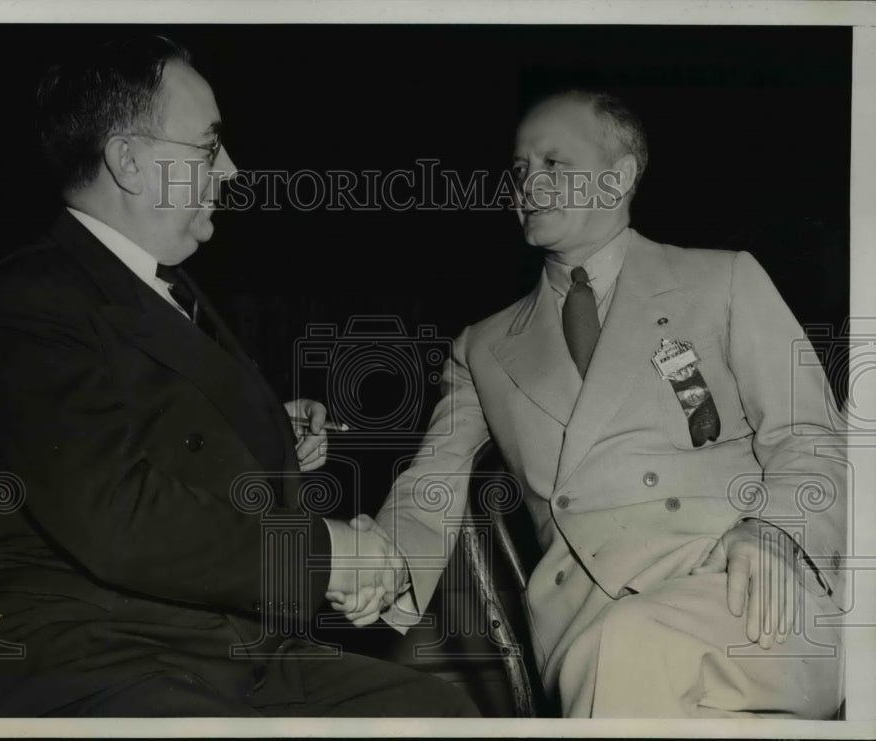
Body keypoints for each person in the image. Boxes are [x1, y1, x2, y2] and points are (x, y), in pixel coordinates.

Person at [0, 35, 476, 718]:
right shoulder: (25, 300)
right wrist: (328, 554)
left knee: (439, 712)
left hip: (216, 645)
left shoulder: (162, 287)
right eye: (209, 147)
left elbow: (158, 429)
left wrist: (267, 426)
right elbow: (116, 515)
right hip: (87, 651)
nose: (232, 169)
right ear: (128, 161)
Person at [356, 90, 847, 718]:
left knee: (634, 649)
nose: (527, 183)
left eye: (553, 164)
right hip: (592, 623)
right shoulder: (482, 347)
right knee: (624, 649)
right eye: (518, 169)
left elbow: (811, 435)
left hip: (749, 590)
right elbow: (432, 483)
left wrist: (777, 530)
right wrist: (377, 564)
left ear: (617, 178)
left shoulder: (722, 280)